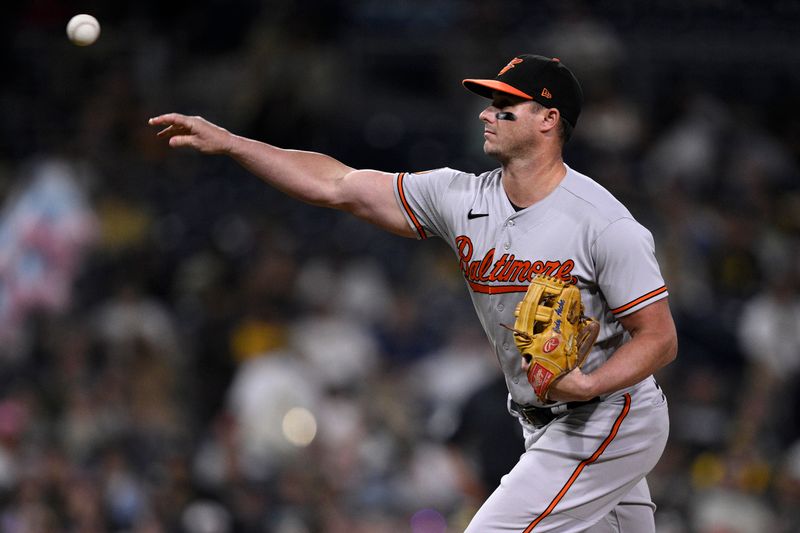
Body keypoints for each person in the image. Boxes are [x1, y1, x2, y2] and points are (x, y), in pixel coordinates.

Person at [149, 54, 678, 532]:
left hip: (611, 415)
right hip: (545, 420)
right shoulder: (460, 197)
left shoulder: (604, 224)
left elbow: (659, 338)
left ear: (548, 119)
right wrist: (233, 142)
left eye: (505, 106)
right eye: (489, 105)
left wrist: (590, 385)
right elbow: (338, 185)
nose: (486, 114)